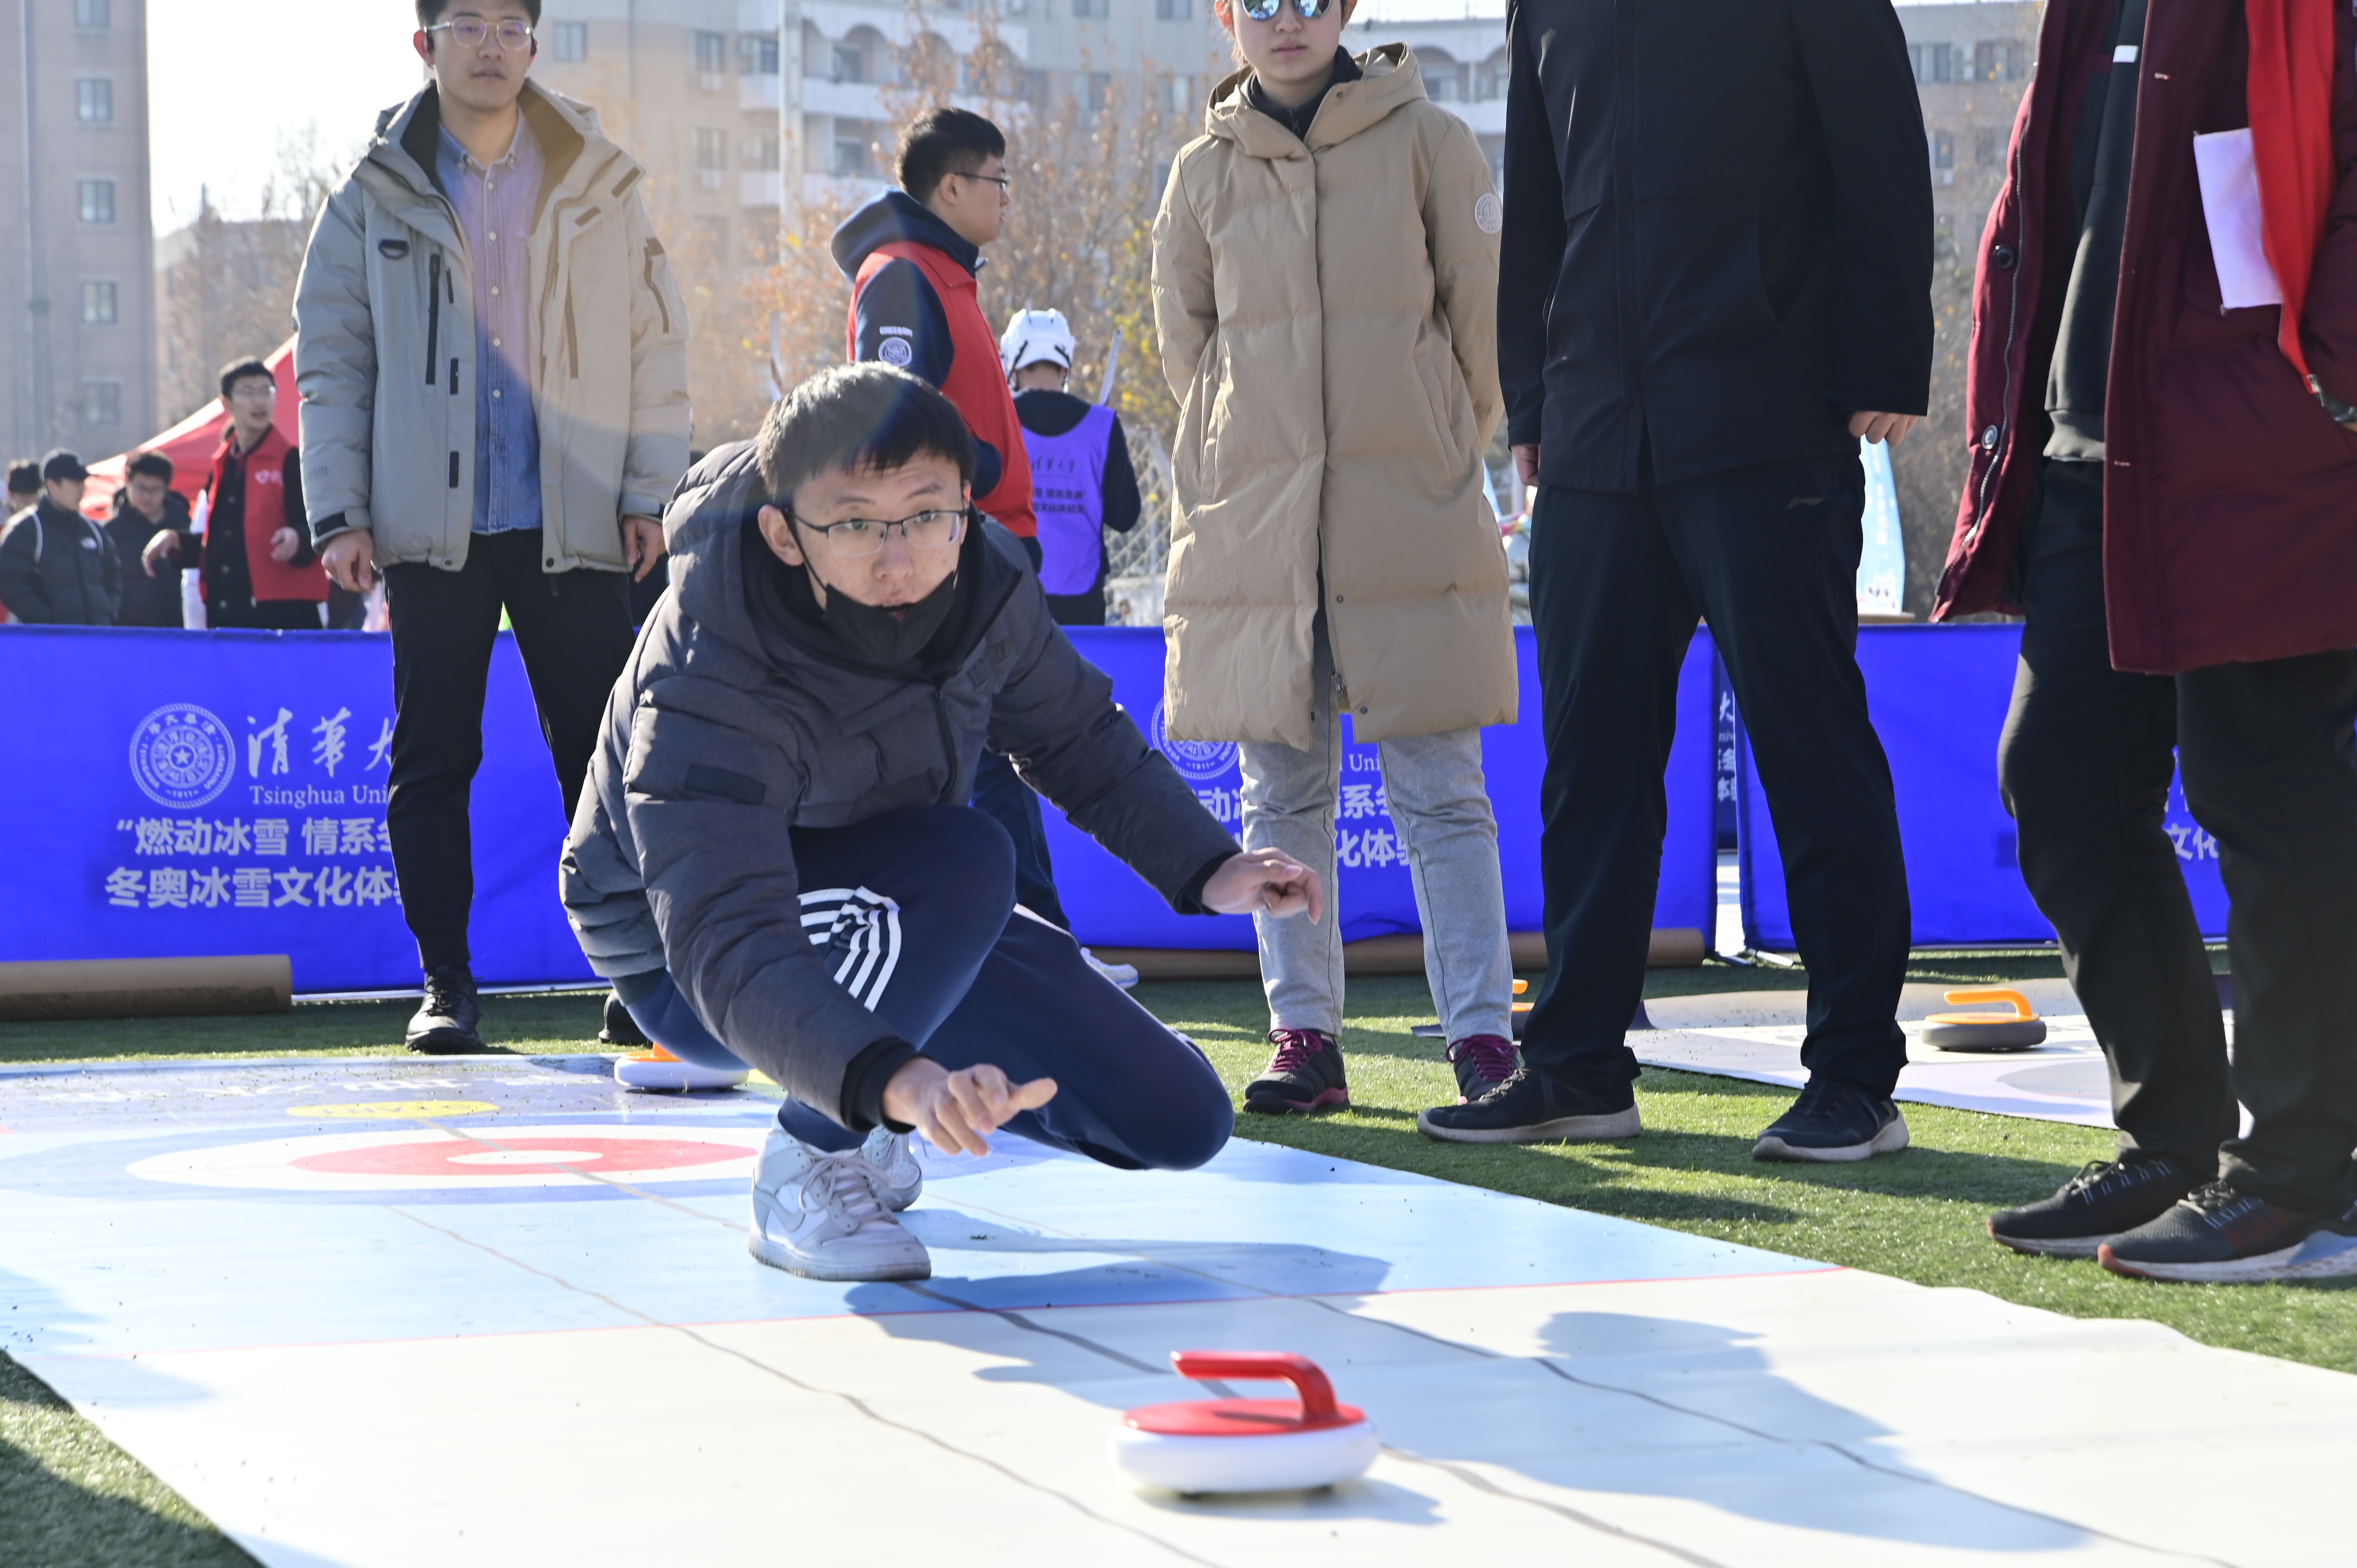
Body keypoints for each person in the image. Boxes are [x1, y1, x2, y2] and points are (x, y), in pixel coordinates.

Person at [560, 364, 1323, 1281]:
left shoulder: (983, 584)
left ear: (968, 503)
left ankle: (870, 1090)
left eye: (927, 513)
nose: (899, 557)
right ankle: (811, 1158)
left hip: (897, 903)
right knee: (970, 859)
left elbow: (1077, 735)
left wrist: (1209, 866)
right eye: (853, 522)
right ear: (784, 531)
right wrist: (894, 1080)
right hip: (683, 959)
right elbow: (725, 936)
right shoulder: (710, 660)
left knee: (1178, 1114)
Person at [1426, 0, 1933, 1156]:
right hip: (1598, 434)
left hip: (1771, 412)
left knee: (1809, 750)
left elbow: (1883, 149)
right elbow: (1542, 196)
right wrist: (1536, 399)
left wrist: (1888, 352)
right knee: (1591, 765)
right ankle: (1577, 1065)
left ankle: (1856, 1074)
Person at [1940, 0, 2357, 1282]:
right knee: (2058, 782)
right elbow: (2038, 207)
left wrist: (2326, 384)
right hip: (2093, 454)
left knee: (2264, 790)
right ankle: (2172, 1138)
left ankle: (2301, 1177)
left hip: (2262, 443)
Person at [296, 0, 690, 1053]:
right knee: (432, 757)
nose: (489, 44)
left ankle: (635, 978)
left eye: (510, 24)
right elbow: (332, 361)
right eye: (465, 23)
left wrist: (650, 488)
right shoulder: (372, 189)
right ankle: (446, 985)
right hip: (434, 528)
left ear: (533, 42)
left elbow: (657, 342)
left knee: (606, 758)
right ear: (423, 43)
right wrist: (339, 512)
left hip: (577, 514)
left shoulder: (600, 179)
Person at [1152, 6, 1523, 1115]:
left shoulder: (1430, 143)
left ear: (1349, 9)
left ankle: (1484, 1042)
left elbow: (1482, 334)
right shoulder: (1198, 175)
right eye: (1256, 2)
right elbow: (1192, 354)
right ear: (1226, 18)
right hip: (1263, 527)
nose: (1286, 22)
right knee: (1282, 793)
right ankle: (1304, 1036)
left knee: (1442, 794)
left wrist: (1431, 447)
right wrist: (1253, 456)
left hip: (1406, 512)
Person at [833, 107, 1085, 957]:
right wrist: (973, 466)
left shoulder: (945, 273)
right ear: (950, 187)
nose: (1008, 198)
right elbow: (891, 409)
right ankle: (1043, 947)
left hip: (983, 547)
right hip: (953, 554)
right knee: (984, 760)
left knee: (1000, 757)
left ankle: (1041, 944)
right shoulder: (904, 272)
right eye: (998, 180)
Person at [142, 359, 331, 630]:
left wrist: (297, 538)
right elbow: (226, 545)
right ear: (226, 403)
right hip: (229, 610)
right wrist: (177, 543)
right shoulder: (222, 465)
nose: (260, 401)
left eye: (266, 391)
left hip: (285, 614)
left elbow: (319, 528)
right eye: (248, 392)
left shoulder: (292, 461)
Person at [998, 307, 1141, 627]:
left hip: (1010, 600)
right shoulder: (1102, 426)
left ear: (1014, 362)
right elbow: (1125, 516)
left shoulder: (999, 421)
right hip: (1082, 604)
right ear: (1066, 363)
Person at [0, 451, 120, 626]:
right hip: (48, 643)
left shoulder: (94, 530)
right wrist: (48, 622)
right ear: (52, 485)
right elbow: (10, 583)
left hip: (95, 639)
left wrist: (107, 615)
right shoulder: (27, 529)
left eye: (84, 482)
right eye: (75, 482)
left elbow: (114, 578)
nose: (83, 489)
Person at [104, 453, 195, 629]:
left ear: (167, 489)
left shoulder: (185, 530)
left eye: (155, 490)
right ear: (128, 484)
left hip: (180, 632)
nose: (146, 496)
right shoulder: (110, 533)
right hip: (128, 634)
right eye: (140, 488)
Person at [1, 460, 44, 623]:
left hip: (35, 609)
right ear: (10, 494)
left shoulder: (44, 528)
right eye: (23, 497)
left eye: (34, 496)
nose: (28, 503)